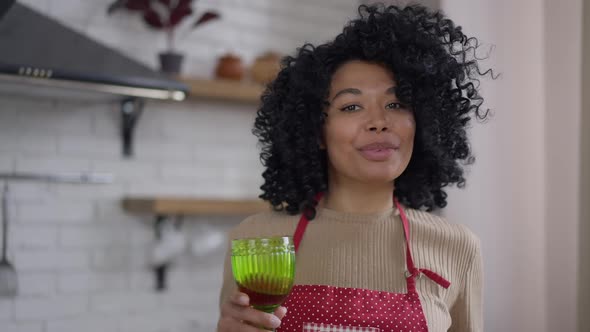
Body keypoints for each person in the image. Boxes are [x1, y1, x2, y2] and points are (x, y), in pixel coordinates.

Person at [217, 3, 493, 332]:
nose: (379, 121)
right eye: (351, 106)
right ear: (317, 130)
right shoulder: (257, 240)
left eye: (396, 104)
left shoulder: (458, 248)